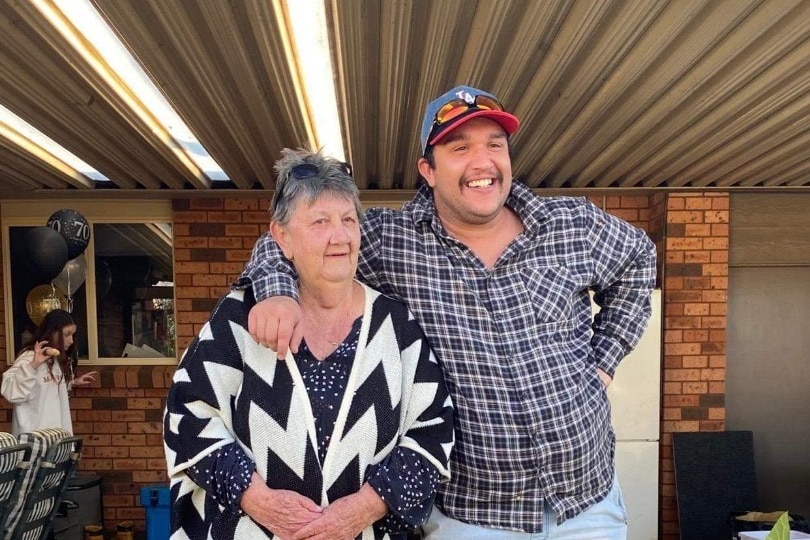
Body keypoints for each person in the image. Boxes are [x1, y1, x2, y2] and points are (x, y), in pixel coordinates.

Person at [238, 85, 658, 539]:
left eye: (495, 145)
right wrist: (278, 293)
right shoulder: (393, 240)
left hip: (588, 505)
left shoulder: (572, 224)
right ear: (428, 170)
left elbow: (640, 259)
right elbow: (288, 240)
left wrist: (603, 362)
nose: (483, 162)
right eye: (460, 148)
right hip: (472, 519)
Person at [163, 149, 454, 540]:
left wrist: (361, 509)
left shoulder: (395, 323)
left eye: (348, 220)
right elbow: (188, 414)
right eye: (319, 222)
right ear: (282, 237)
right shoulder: (242, 316)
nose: (339, 236)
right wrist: (257, 498)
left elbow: (432, 430)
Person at [2, 308, 97, 435]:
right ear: (52, 332)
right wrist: (33, 365)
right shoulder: (29, 357)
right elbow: (11, 392)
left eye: (73, 335)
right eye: (66, 334)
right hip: (34, 443)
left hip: (56, 440)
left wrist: (72, 382)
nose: (71, 340)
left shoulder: (54, 359)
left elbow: (45, 386)